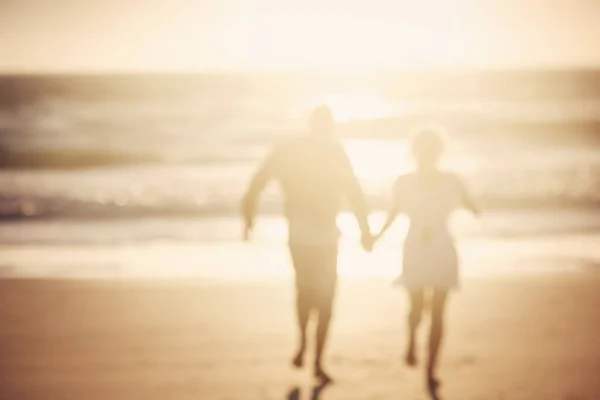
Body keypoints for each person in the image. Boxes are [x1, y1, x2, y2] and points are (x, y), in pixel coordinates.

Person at [242, 106, 373, 383]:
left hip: (313, 234)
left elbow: (258, 181)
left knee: (310, 294)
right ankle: (311, 354)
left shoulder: (297, 151)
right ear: (324, 126)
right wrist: (364, 230)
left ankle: (311, 353)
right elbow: (354, 191)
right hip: (312, 235)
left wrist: (249, 216)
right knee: (319, 297)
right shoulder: (321, 152)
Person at [374, 126, 480, 392]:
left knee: (437, 311)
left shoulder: (448, 180)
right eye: (425, 151)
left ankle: (430, 369)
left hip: (435, 247)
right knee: (419, 307)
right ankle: (412, 341)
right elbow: (393, 213)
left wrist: (375, 237)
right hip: (423, 247)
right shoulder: (409, 182)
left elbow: (472, 206)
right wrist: (375, 236)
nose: (427, 156)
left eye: (430, 151)